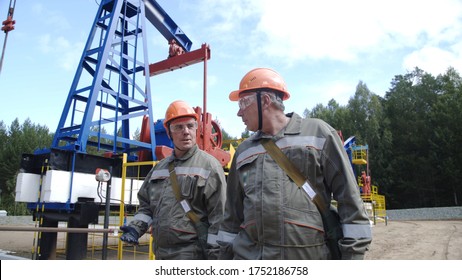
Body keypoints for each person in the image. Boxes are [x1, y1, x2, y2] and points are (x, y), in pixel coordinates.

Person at [217, 68, 372, 260]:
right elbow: (232, 218)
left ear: (265, 100)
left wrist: (352, 259)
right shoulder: (243, 151)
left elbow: (350, 201)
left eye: (243, 102)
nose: (239, 112)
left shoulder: (319, 133)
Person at [120, 100, 227, 260]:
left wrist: (216, 258)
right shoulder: (159, 169)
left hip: (193, 255)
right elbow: (147, 207)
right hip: (161, 253)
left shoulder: (210, 166)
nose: (186, 132)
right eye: (178, 127)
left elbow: (220, 216)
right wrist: (136, 228)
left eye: (190, 126)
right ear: (169, 132)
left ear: (196, 129)